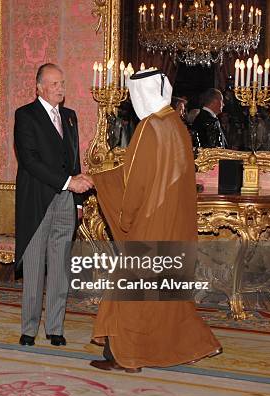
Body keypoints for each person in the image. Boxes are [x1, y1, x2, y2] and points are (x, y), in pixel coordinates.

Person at [89, 69, 222, 373]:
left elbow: (134, 181)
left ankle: (127, 357)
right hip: (175, 223)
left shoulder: (150, 127)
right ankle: (194, 345)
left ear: (141, 94)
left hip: (150, 223)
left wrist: (119, 208)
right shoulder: (176, 124)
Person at [14, 63, 92, 348]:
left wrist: (78, 200)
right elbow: (30, 161)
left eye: (63, 83)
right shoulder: (25, 115)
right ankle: (29, 328)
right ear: (40, 87)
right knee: (34, 266)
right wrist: (68, 183)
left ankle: (55, 327)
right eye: (56, 83)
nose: (62, 88)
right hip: (38, 200)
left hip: (66, 202)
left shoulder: (69, 117)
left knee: (60, 267)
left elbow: (74, 161)